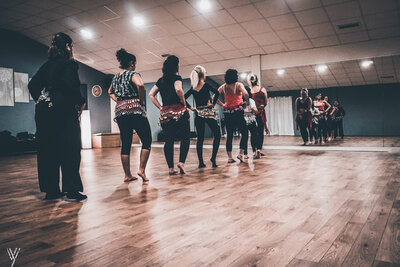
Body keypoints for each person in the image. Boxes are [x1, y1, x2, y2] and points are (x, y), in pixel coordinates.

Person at [28, 32, 87, 201]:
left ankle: (52, 190)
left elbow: (32, 85)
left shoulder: (46, 65)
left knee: (48, 149)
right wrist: (81, 101)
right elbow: (72, 86)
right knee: (70, 149)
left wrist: (40, 99)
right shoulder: (69, 64)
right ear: (68, 47)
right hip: (62, 109)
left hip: (43, 110)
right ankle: (72, 191)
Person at [108, 48, 151, 183]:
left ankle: (127, 175)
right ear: (131, 63)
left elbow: (109, 91)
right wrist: (141, 100)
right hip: (135, 111)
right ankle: (141, 170)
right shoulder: (132, 73)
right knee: (147, 140)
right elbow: (140, 85)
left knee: (125, 142)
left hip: (120, 111)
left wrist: (120, 101)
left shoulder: (115, 77)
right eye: (135, 63)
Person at [149, 55, 190, 175]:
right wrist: (183, 102)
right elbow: (178, 89)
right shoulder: (177, 78)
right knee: (185, 138)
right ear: (176, 66)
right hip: (179, 111)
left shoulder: (160, 81)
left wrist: (160, 107)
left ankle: (171, 168)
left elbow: (151, 94)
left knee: (169, 141)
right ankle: (181, 162)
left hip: (166, 113)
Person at [185, 65, 221, 168]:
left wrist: (191, 108)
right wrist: (213, 104)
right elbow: (217, 92)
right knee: (217, 134)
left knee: (200, 138)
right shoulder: (206, 85)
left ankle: (201, 162)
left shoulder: (194, 88)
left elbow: (182, 98)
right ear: (203, 75)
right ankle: (213, 158)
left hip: (198, 113)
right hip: (208, 113)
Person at [216, 69, 249, 163]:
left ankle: (230, 158)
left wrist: (222, 105)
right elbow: (246, 94)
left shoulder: (223, 87)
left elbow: (214, 98)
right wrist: (246, 103)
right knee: (245, 132)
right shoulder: (238, 85)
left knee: (229, 135)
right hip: (237, 112)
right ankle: (240, 154)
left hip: (227, 113)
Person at [247, 74, 269, 156]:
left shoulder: (262, 89)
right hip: (251, 113)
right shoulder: (248, 90)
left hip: (260, 112)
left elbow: (265, 102)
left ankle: (258, 149)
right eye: (251, 78)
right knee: (253, 132)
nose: (252, 79)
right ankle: (254, 150)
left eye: (253, 78)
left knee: (260, 131)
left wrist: (261, 106)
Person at [243, 87, 259, 158]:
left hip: (247, 120)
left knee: (247, 137)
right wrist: (255, 111)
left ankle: (247, 153)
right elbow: (255, 110)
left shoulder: (248, 100)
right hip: (249, 120)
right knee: (251, 136)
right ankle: (251, 152)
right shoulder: (250, 100)